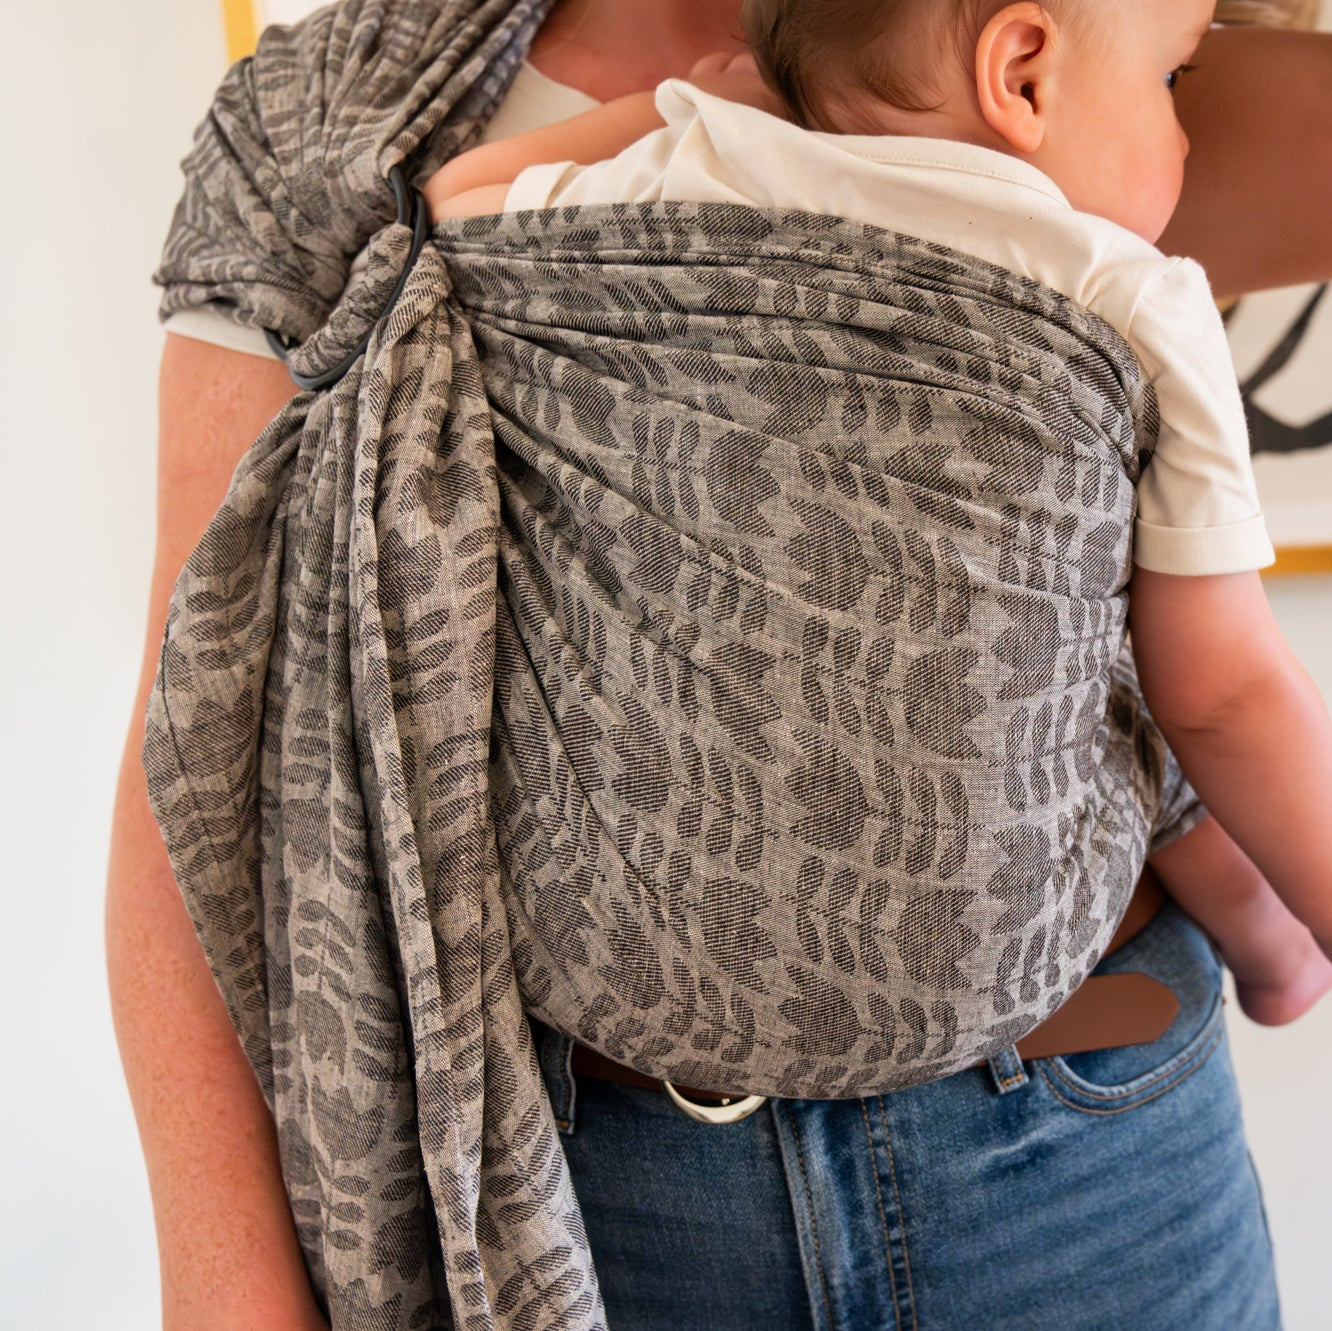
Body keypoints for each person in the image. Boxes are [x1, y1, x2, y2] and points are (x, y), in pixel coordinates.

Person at [105, 1, 1332, 1327]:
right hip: (602, 1203)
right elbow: (220, 718)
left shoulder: (1099, 47)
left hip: (1090, 1155)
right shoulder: (333, 120)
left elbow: (1180, 670)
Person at [427, 0, 1332, 1030]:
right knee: (1130, 711)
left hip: (616, 967)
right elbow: (1225, 692)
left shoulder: (702, 166)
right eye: (1171, 83)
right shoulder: (1132, 292)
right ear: (1021, 72)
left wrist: (682, 113)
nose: (1181, 133)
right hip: (1002, 979)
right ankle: (1281, 959)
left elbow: (457, 202)